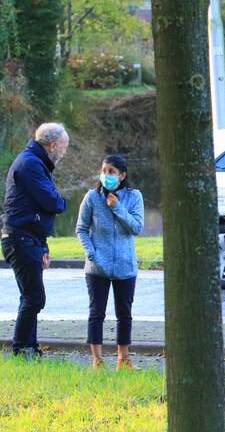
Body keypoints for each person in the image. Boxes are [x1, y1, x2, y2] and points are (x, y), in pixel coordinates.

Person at [1, 123, 70, 358]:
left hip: (27, 238)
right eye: (64, 146)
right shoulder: (30, 164)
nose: (64, 151)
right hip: (20, 238)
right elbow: (52, 202)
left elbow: (38, 208)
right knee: (34, 297)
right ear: (52, 145)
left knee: (30, 297)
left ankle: (29, 347)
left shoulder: (35, 161)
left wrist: (43, 245)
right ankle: (22, 348)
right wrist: (61, 202)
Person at [75, 154, 144, 370]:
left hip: (125, 266)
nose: (106, 175)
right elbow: (81, 229)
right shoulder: (92, 197)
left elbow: (136, 228)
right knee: (97, 312)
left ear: (122, 176)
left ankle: (123, 359)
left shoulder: (134, 197)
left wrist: (117, 207)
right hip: (97, 267)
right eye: (104, 171)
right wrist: (92, 254)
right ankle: (97, 359)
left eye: (112, 172)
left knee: (124, 313)